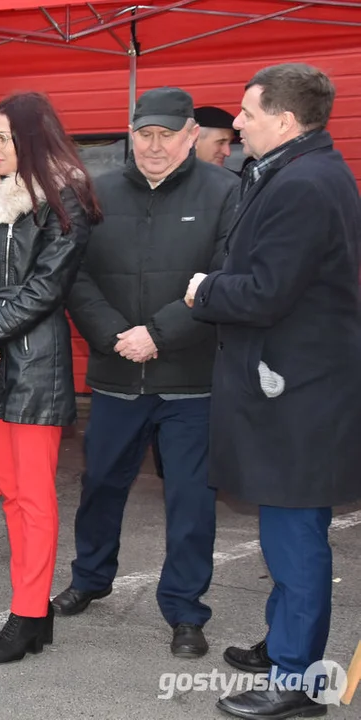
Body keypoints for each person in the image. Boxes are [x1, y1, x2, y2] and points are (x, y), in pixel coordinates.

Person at [185, 63, 361, 719]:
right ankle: (283, 643)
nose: (235, 122)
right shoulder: (303, 172)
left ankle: (295, 679)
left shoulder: (303, 185)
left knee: (294, 536)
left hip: (298, 395)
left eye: (247, 113)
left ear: (284, 122)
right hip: (296, 388)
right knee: (288, 530)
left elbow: (262, 292)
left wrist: (203, 290)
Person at [55, 87, 240, 659]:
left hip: (192, 381)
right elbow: (73, 274)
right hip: (116, 375)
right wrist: (114, 334)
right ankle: (89, 578)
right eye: (144, 134)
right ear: (129, 135)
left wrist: (156, 334)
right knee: (102, 485)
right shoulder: (94, 193)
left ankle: (185, 611)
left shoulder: (226, 193)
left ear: (191, 135)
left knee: (191, 500)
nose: (155, 146)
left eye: (167, 134)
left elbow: (224, 278)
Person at [0, 92, 101, 664]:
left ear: (33, 139)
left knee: (33, 497)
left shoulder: (65, 199)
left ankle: (29, 613)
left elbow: (47, 287)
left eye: (4, 137)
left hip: (35, 361)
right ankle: (30, 613)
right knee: (11, 494)